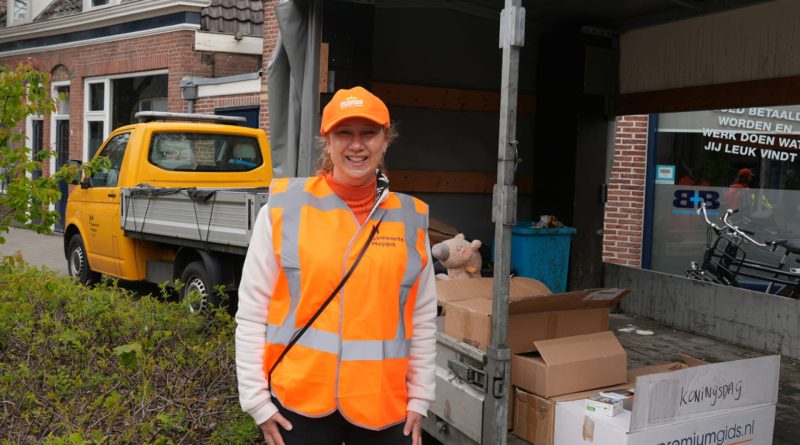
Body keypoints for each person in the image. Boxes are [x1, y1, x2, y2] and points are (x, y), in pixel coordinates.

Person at [235, 86, 437, 445]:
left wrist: (420, 397)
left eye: (368, 133)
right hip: (299, 403)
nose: (356, 145)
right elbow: (252, 313)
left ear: (385, 141)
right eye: (344, 133)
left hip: (384, 407)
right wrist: (256, 401)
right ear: (326, 140)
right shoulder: (282, 212)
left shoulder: (411, 220)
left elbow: (421, 319)